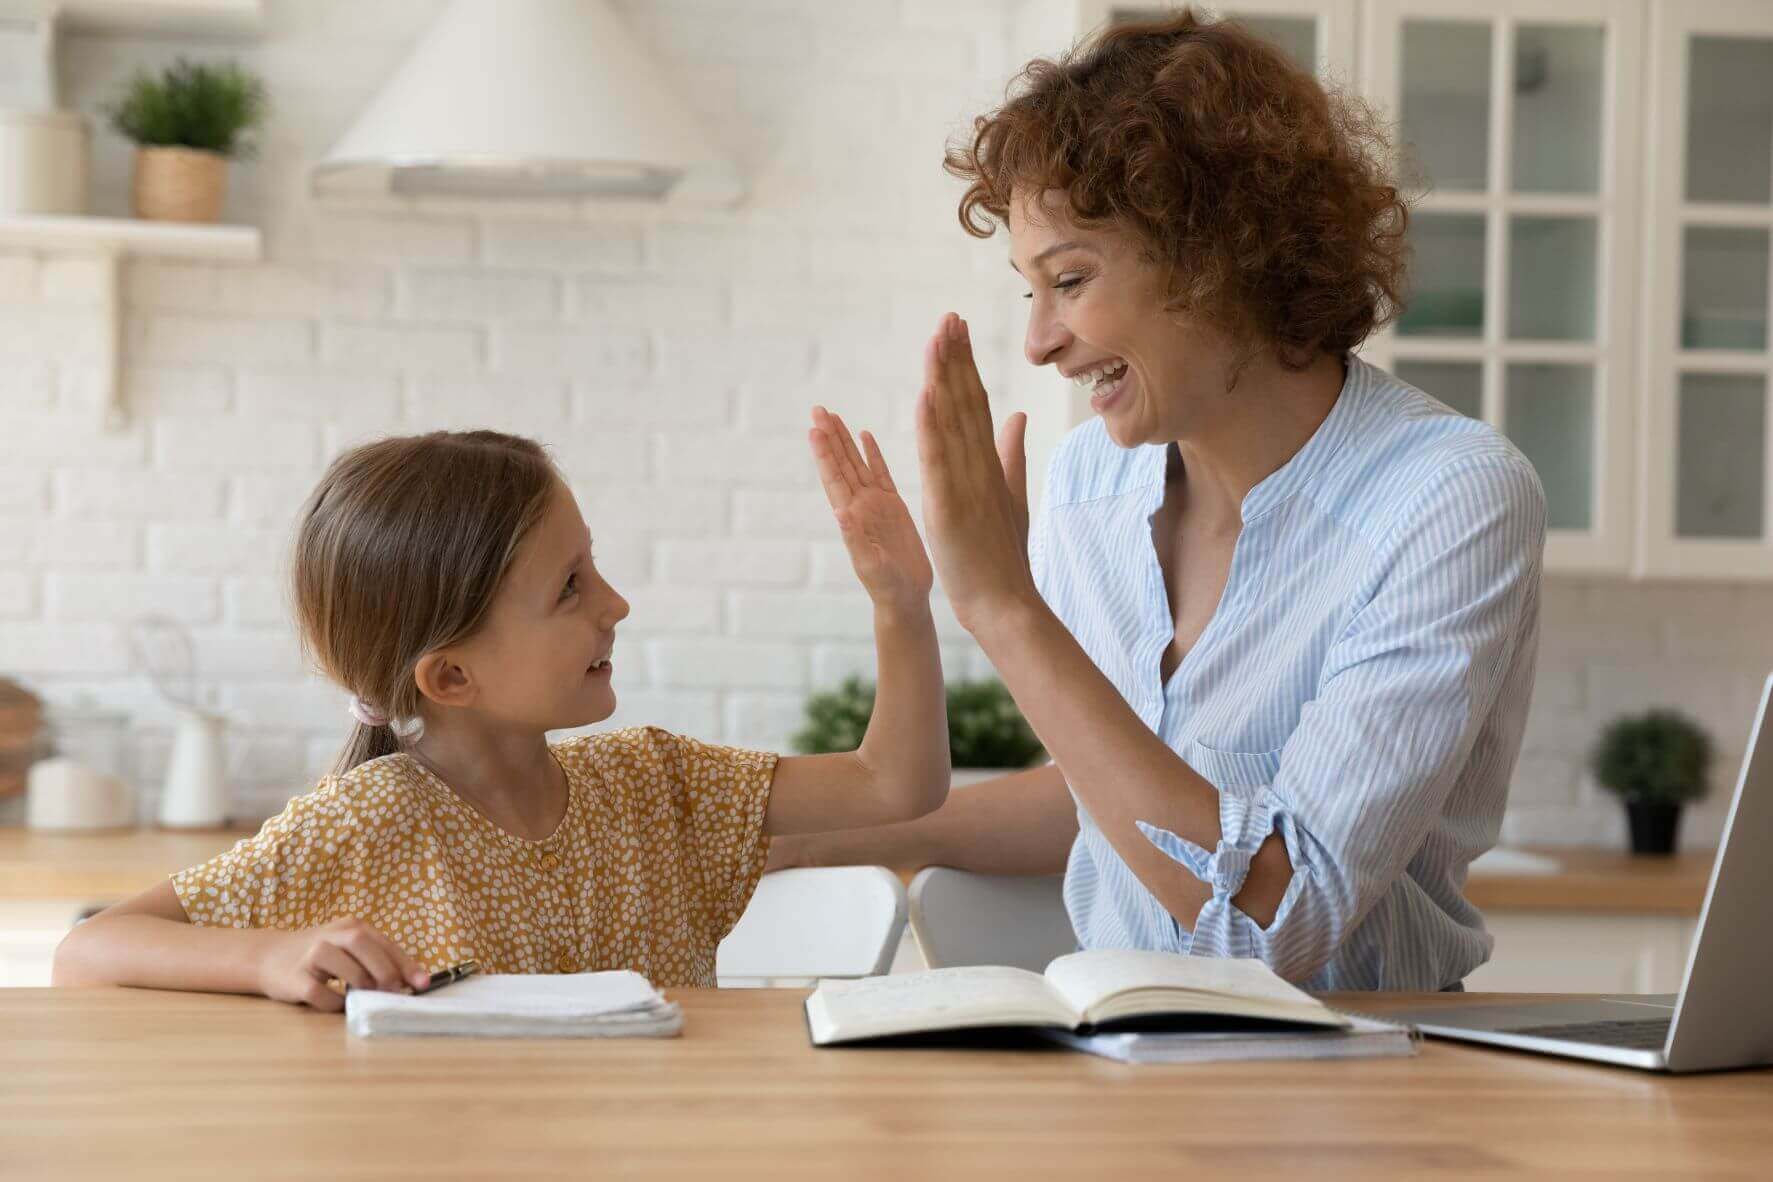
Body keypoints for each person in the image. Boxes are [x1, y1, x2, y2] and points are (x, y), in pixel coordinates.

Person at [767, 10, 1546, 992]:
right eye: (1027, 292)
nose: (1040, 342)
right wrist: (815, 842)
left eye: (1072, 280)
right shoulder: (1090, 483)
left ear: (1222, 254)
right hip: (1124, 1076)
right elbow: (1106, 798)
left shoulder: (1450, 498)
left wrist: (1004, 610)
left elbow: (1273, 925)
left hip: (1365, 1091)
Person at [54, 416, 947, 1006]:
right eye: (569, 587)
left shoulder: (658, 781)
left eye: (591, 565)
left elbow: (894, 785)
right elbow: (90, 952)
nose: (616, 603)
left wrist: (899, 605)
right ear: (450, 679)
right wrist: (265, 958)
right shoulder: (368, 821)